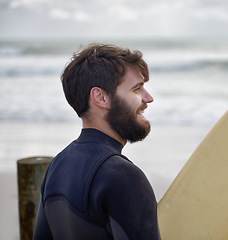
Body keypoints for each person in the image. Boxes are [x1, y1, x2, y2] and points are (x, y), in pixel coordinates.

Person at [33, 43, 161, 240]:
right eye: (137, 89)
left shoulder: (57, 166)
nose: (149, 98)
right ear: (101, 97)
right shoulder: (124, 177)